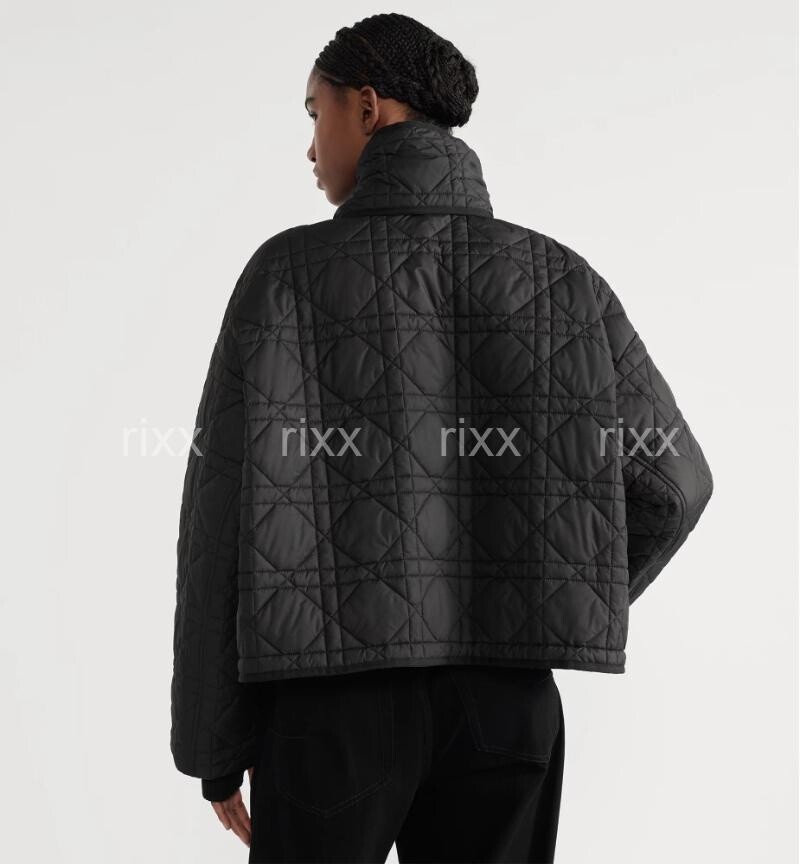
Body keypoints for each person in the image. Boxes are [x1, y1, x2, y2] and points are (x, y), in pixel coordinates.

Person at [170, 12, 714, 864]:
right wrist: (546, 601)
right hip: (507, 707)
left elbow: (219, 525)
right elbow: (677, 487)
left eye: (314, 113)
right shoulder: (561, 280)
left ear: (368, 107)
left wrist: (212, 746)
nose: (310, 147)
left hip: (328, 709)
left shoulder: (284, 277)